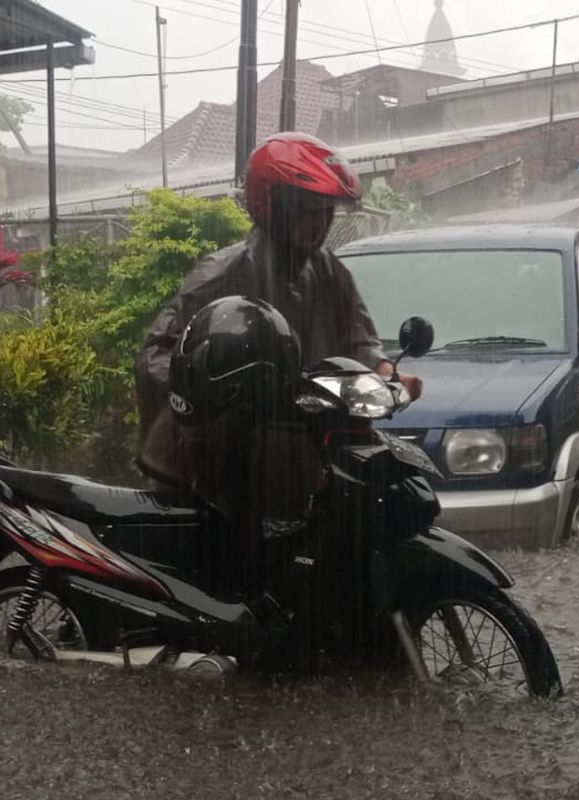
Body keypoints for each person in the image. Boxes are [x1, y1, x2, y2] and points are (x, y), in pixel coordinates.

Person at [133, 132, 420, 590]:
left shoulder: (329, 270)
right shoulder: (223, 274)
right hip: (217, 462)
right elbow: (156, 354)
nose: (319, 223)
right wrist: (217, 388)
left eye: (326, 211)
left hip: (297, 450)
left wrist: (385, 372)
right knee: (227, 579)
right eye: (307, 209)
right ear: (272, 205)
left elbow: (358, 337)